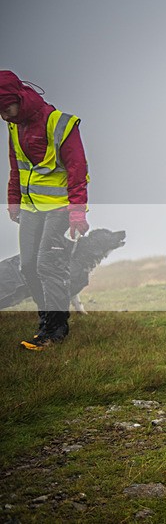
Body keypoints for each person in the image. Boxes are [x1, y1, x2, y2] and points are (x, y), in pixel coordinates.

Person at [1, 70, 90, 350]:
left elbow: (78, 170)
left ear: (18, 98)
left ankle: (55, 330)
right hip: (30, 207)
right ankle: (48, 321)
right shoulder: (13, 124)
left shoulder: (61, 124)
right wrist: (13, 198)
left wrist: (77, 212)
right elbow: (16, 164)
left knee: (46, 265)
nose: (4, 116)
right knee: (27, 266)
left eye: (6, 108)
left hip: (59, 207)